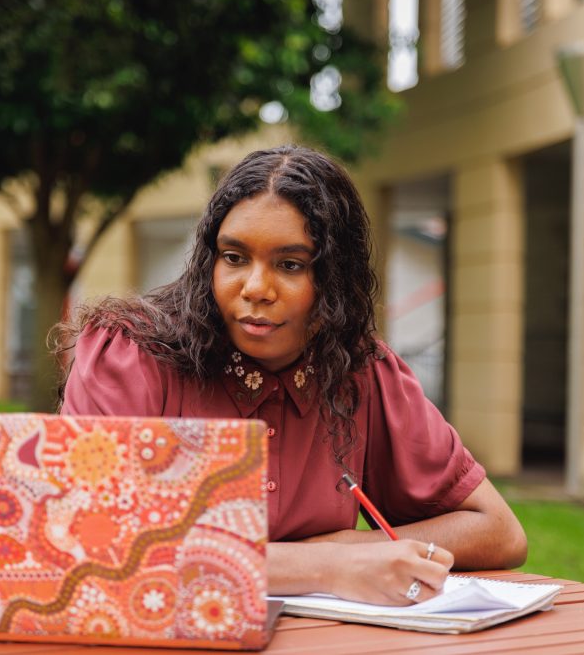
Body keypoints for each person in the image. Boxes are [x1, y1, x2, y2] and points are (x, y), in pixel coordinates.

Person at [57, 144, 528, 606]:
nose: (256, 289)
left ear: (334, 280)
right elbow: (90, 544)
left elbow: (498, 532)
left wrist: (347, 548)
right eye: (234, 257)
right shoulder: (129, 356)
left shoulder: (360, 372)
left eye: (290, 265)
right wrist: (326, 567)